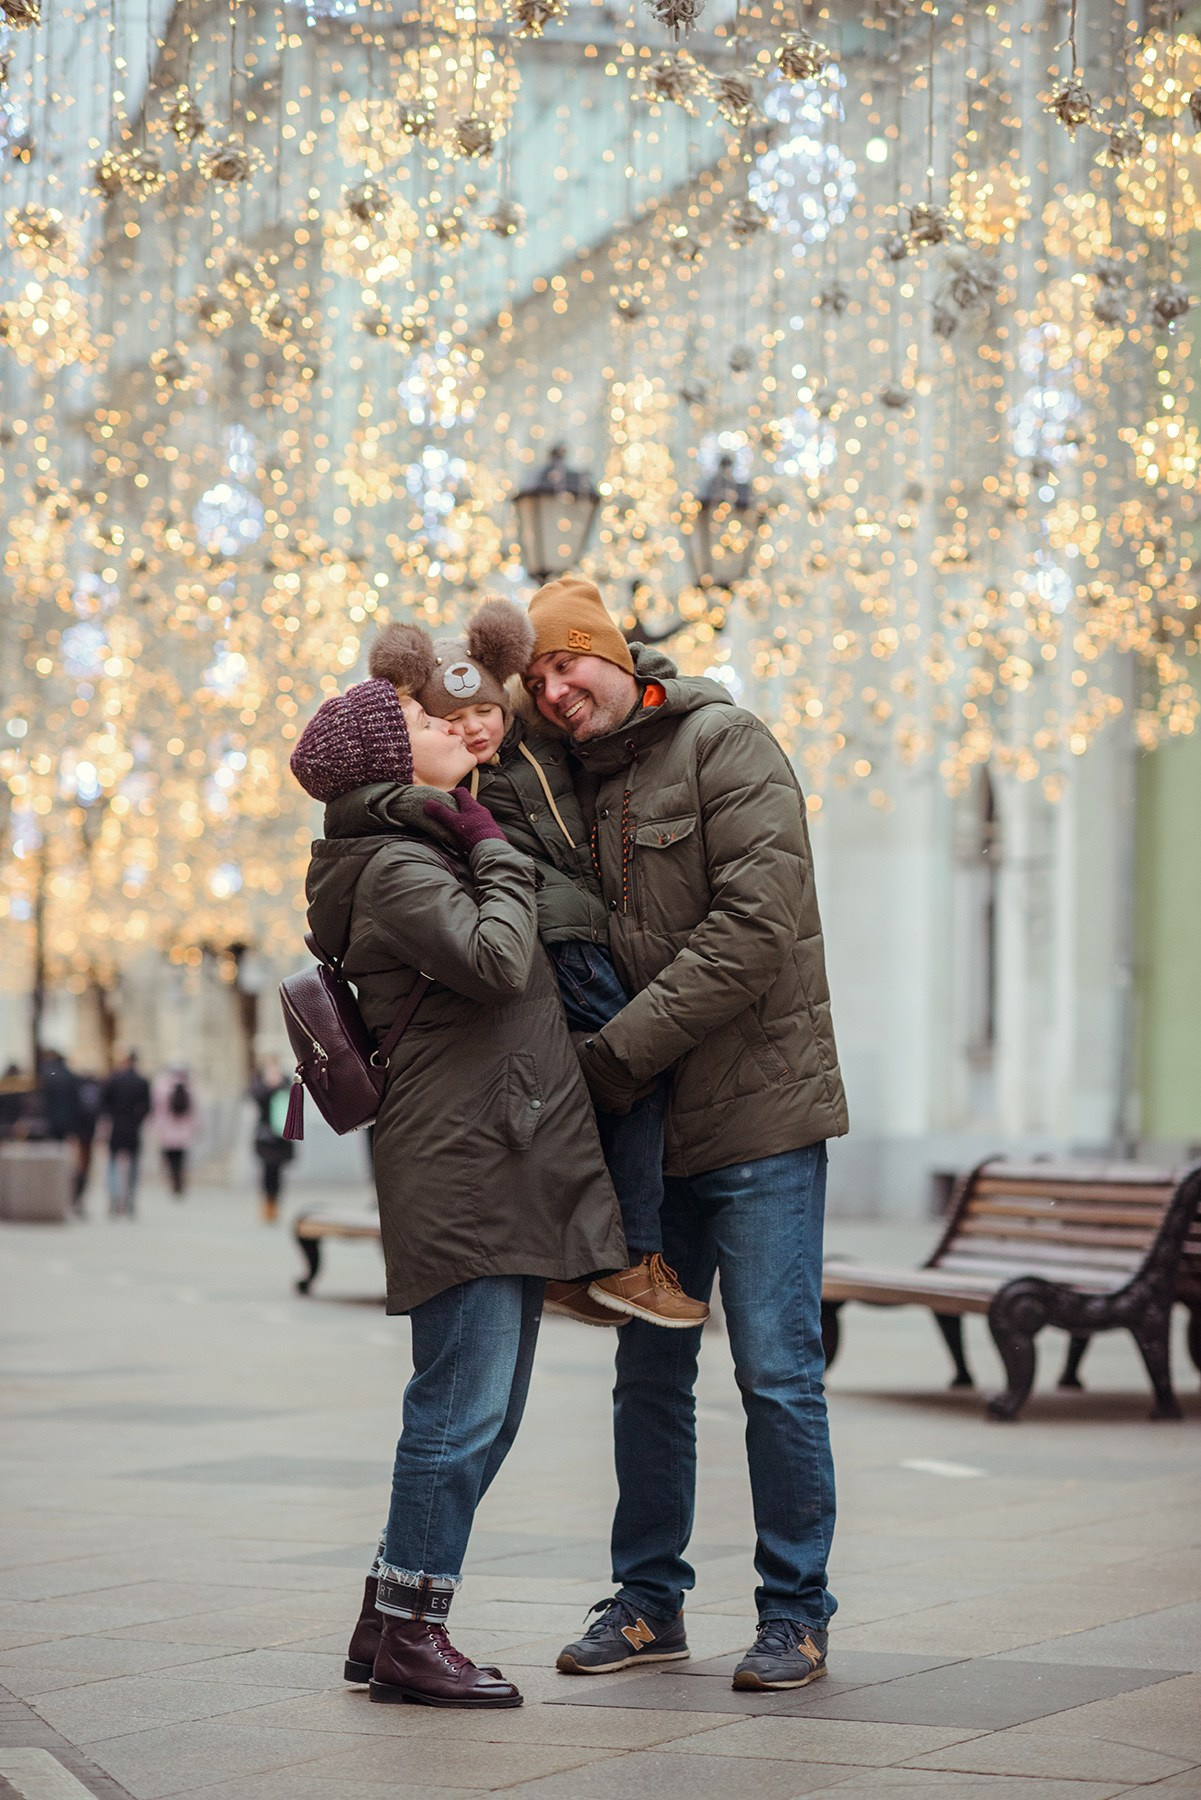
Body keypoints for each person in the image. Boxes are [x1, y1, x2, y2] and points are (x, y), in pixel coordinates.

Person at [522, 574, 849, 1695]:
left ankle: (795, 1613)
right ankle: (649, 1602)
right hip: (649, 1140)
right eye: (539, 678)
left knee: (775, 1374)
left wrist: (615, 1055)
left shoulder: (726, 745)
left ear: (615, 652)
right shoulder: (568, 782)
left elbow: (757, 924)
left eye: (569, 663)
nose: (556, 689)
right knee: (648, 1373)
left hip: (755, 1119)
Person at [289, 673, 625, 1708]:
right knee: (460, 1408)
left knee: (486, 1407)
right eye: (425, 723)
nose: (452, 726)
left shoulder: (407, 846)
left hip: (488, 1145)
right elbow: (493, 955)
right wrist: (494, 848)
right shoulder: (396, 861)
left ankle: (385, 1614)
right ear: (392, 762)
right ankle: (412, 1635)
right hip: (464, 1156)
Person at [367, 607, 706, 1332]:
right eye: (451, 721)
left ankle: (584, 1261)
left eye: (488, 709)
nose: (474, 729)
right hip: (558, 942)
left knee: (590, 1092)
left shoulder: (535, 747)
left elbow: (621, 701)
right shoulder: (463, 789)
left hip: (581, 931)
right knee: (639, 1070)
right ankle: (629, 1257)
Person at [98, 1052, 152, 1218]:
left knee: (113, 1162)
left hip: (117, 1126)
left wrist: (111, 1119)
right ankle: (130, 1198)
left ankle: (114, 1197)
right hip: (133, 1127)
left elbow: (104, 1103)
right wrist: (138, 1119)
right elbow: (148, 1106)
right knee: (134, 1165)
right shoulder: (142, 1081)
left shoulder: (115, 1080)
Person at [250, 1059, 293, 1223]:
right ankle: (268, 1204)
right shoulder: (260, 1085)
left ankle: (275, 1204)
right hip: (265, 1137)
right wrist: (268, 1087)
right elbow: (255, 1097)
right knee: (267, 1172)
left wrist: (280, 1084)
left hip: (281, 1137)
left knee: (278, 1172)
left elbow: (295, 1098)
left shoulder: (286, 1083)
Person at [151, 1065, 196, 1197]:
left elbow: (157, 1108)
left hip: (167, 1129)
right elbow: (194, 1109)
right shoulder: (188, 1085)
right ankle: (179, 1181)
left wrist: (157, 1126)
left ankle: (173, 1182)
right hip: (183, 1130)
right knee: (180, 1159)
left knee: (170, 1159)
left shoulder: (162, 1086)